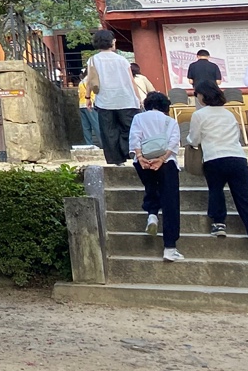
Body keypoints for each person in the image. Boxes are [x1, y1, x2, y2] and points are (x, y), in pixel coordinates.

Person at [187, 80, 248, 255]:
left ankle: (219, 224)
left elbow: (194, 139)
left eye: (197, 95)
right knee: (245, 197)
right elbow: (236, 135)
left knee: (216, 191)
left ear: (203, 96)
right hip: (237, 157)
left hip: (214, 158)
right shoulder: (229, 114)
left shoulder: (199, 115)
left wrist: (190, 142)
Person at [128, 91, 184, 261]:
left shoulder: (139, 118)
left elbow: (135, 138)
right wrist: (161, 159)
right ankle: (170, 248)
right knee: (170, 203)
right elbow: (173, 142)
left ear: (147, 105)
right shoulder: (170, 121)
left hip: (143, 162)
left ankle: (152, 214)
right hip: (166, 163)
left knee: (151, 187)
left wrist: (140, 158)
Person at [83, 30, 141, 165]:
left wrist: (87, 97)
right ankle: (131, 152)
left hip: (105, 101)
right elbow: (131, 81)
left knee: (109, 131)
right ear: (112, 42)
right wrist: (138, 98)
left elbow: (90, 80)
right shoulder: (122, 60)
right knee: (129, 129)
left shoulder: (93, 60)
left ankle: (116, 159)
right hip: (126, 99)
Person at [76, 74, 101, 147]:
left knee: (86, 127)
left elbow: (79, 94)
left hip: (81, 105)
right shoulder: (93, 80)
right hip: (90, 105)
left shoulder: (81, 83)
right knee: (96, 125)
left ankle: (89, 144)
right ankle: (103, 143)